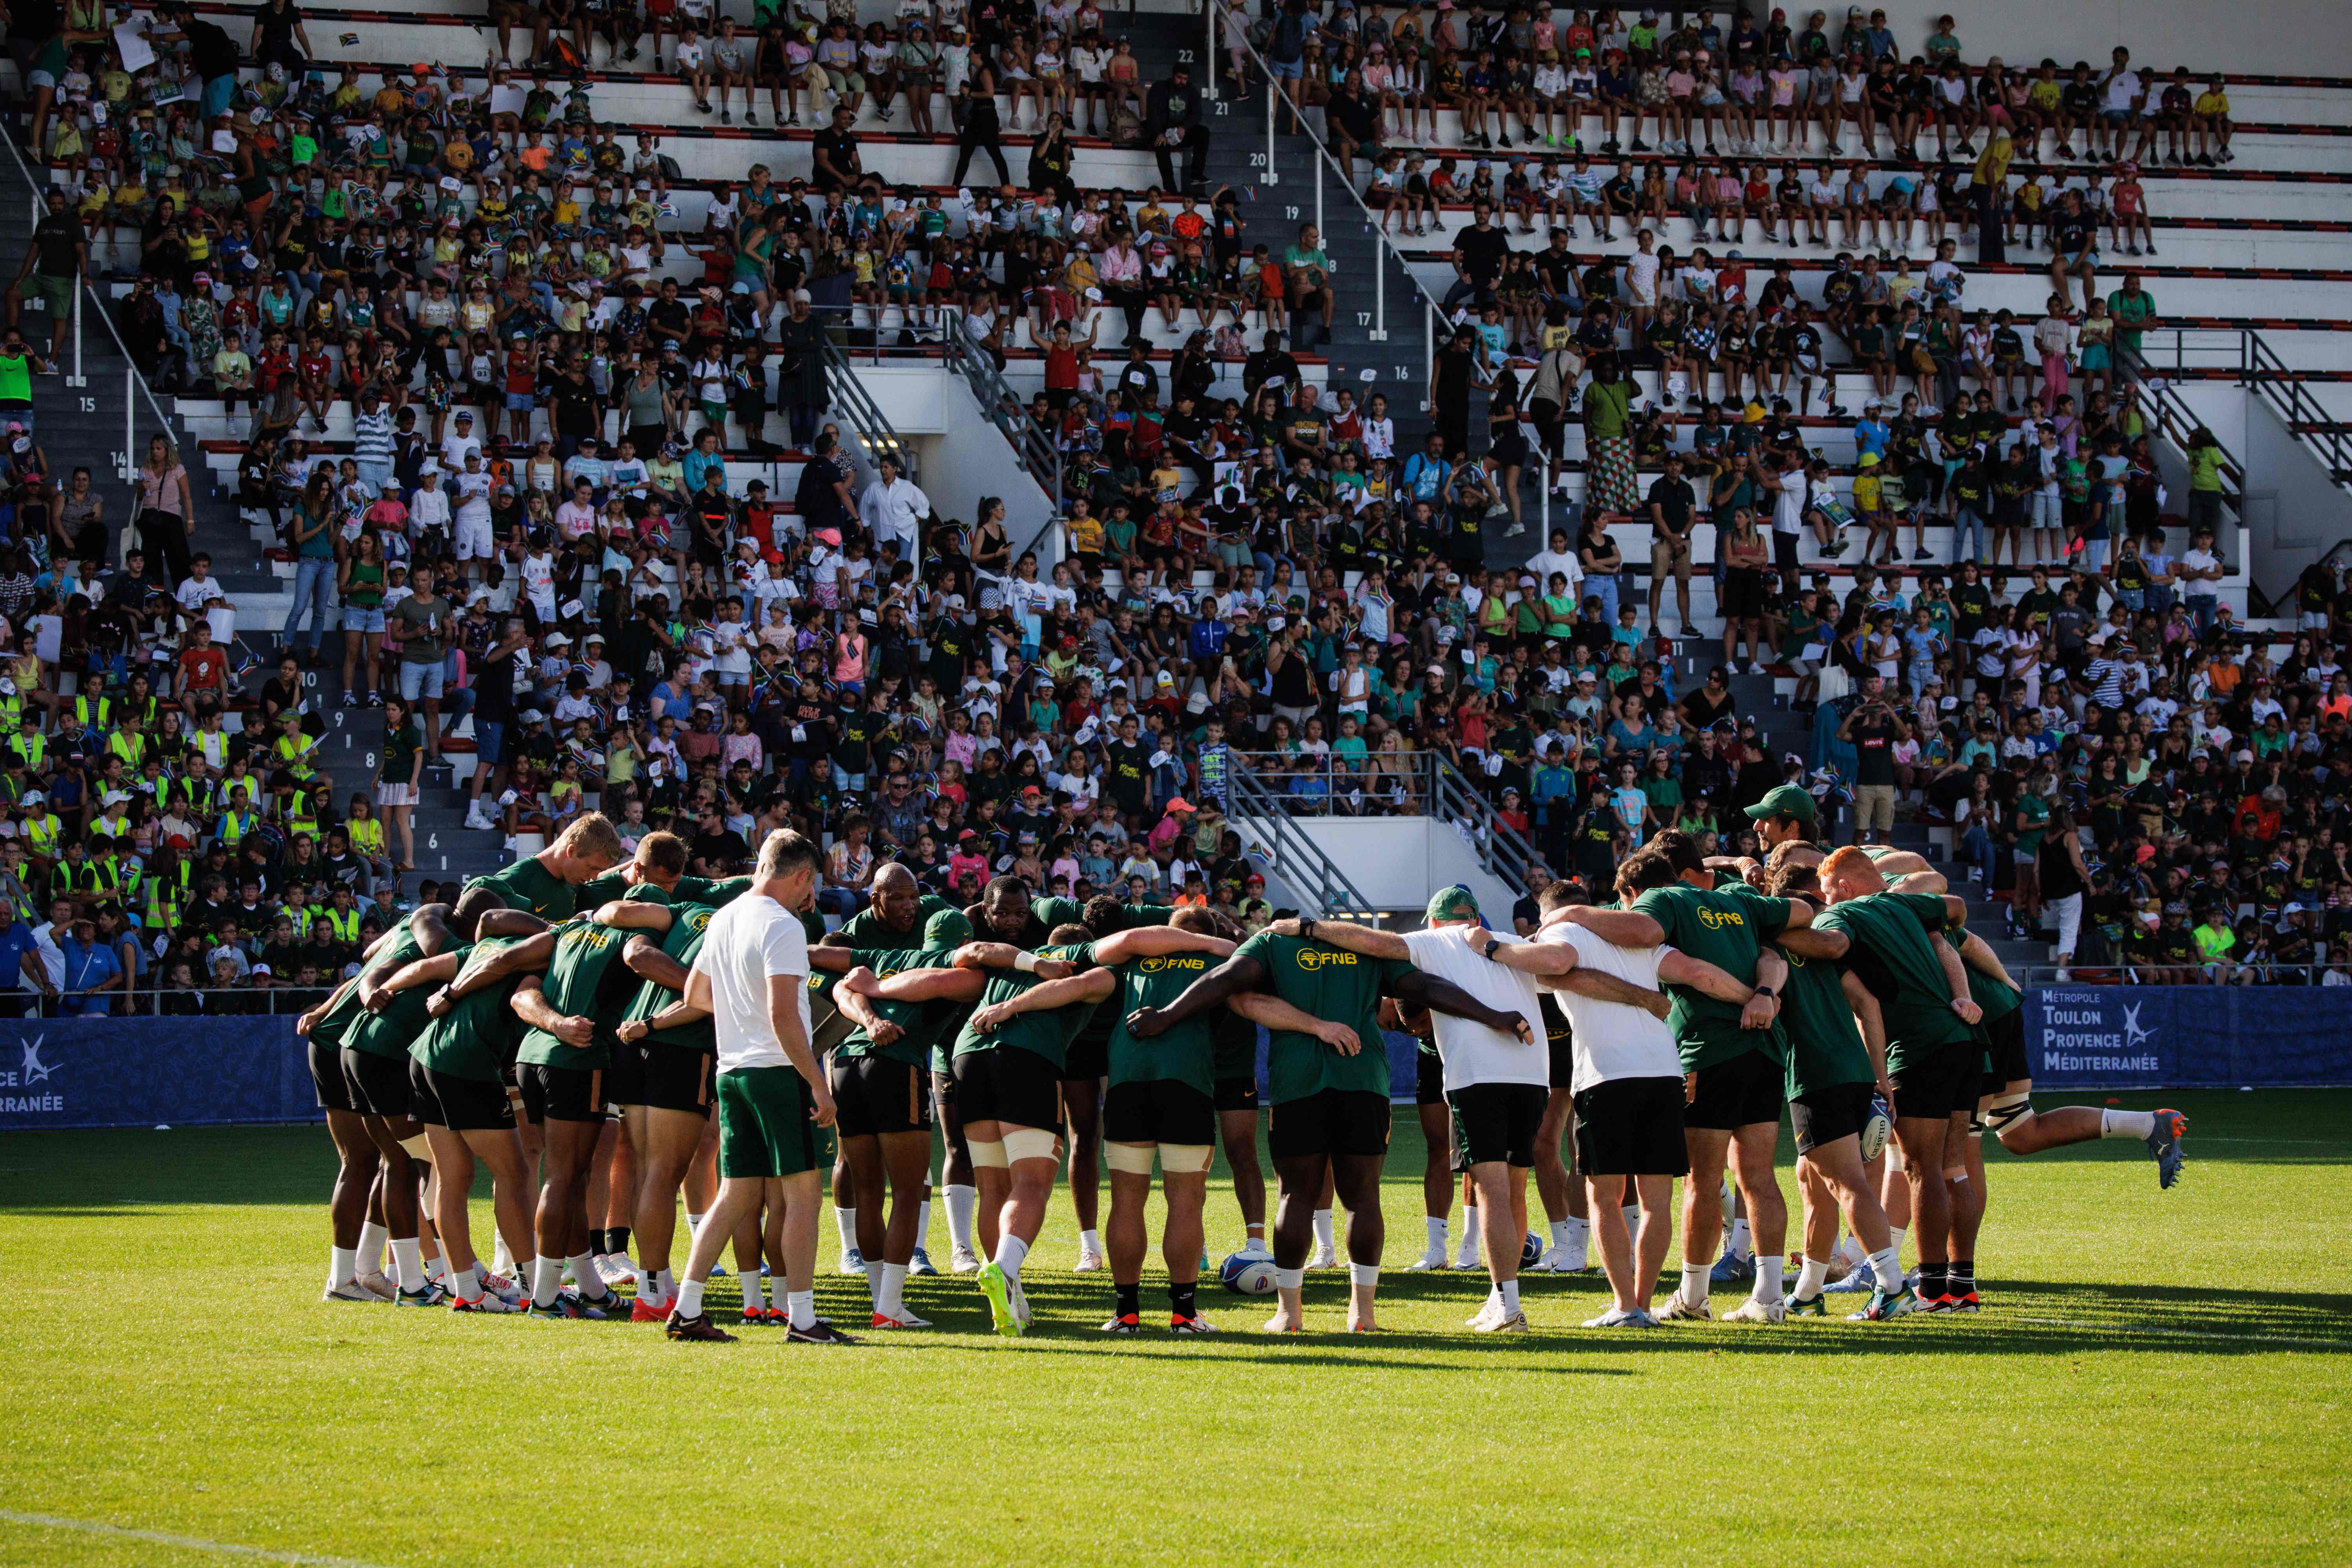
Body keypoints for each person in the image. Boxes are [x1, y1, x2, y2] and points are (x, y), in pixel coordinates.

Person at [1125, 905, 1533, 1333]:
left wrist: (1166, 1015)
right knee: (1363, 1196)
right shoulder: (1362, 945)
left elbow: (1223, 981)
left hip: (1298, 1082)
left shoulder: (1270, 942)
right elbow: (1425, 988)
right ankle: (1363, 1314)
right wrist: (1494, 1015)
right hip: (1363, 1077)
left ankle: (1289, 1313)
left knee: (1295, 1196)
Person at [1546, 830, 1809, 1323]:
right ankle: (1770, 1296)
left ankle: (1692, 1295)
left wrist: (1576, 913)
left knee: (1703, 1182)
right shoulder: (1738, 902)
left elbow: (1648, 936)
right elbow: (1801, 915)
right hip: (1766, 1046)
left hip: (1708, 1050)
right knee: (1757, 1177)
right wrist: (1763, 994)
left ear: (1634, 893)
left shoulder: (1660, 902)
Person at [951, 910, 1241, 1332]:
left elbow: (1073, 986)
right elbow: (1250, 998)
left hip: (1124, 1083)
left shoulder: (1123, 967)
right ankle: (1184, 1314)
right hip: (1187, 1081)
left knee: (1125, 1200)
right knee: (1185, 1199)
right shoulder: (1214, 959)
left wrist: (1009, 1004)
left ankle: (1125, 1314)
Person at [666, 829, 855, 1343]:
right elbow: (783, 1015)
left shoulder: (725, 916)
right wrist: (818, 1083)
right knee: (803, 1196)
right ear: (800, 876)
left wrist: (738, 1007)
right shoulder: (784, 925)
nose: (809, 896)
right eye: (808, 885)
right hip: (777, 1070)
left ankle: (686, 1309)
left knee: (735, 1195)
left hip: (733, 1069)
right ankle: (804, 1319)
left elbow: (695, 994)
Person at [1780, 846, 1984, 1315]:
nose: (1828, 903)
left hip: (1918, 1046)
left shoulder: (1844, 914)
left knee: (1921, 1168)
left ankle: (1929, 1290)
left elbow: (1831, 947)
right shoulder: (1902, 903)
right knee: (1954, 1167)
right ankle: (1962, 1287)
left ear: (1844, 888)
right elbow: (1955, 907)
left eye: (1829, 894)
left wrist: (1772, 931)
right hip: (1965, 1038)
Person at [1146, 61, 1209, 194]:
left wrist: (1185, 127)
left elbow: (1197, 114)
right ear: (1173, 75)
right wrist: (1159, 133)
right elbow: (1152, 113)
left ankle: (1196, 175)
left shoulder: (1191, 90)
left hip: (1180, 132)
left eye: (1185, 79)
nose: (1182, 82)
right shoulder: (1160, 87)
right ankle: (1171, 189)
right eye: (1179, 78)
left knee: (1203, 132)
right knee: (1161, 146)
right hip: (1161, 130)